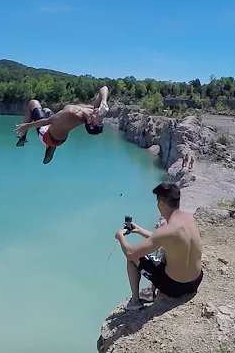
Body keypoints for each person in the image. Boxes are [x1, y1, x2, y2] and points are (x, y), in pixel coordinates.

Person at [114, 182, 204, 311]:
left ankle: (135, 301)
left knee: (134, 259)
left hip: (176, 287)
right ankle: (151, 290)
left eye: (157, 202)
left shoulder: (167, 230)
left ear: (161, 203)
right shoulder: (189, 219)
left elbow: (131, 253)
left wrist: (120, 237)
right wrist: (139, 230)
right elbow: (167, 239)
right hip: (196, 281)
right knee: (166, 252)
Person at [14, 86, 110, 164]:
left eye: (100, 122)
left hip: (47, 136)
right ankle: (51, 146)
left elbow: (48, 121)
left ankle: (22, 138)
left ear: (90, 122)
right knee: (46, 110)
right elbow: (104, 88)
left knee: (33, 103)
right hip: (59, 137)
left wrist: (27, 126)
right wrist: (104, 101)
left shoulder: (72, 113)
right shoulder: (93, 109)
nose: (102, 118)